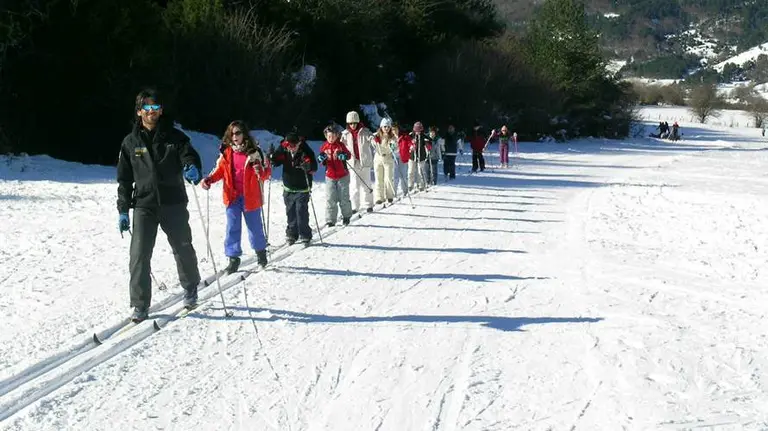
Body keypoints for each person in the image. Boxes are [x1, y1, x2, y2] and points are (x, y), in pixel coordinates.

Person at [117, 88, 203, 323]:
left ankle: (191, 289)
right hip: (144, 204)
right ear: (139, 111)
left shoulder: (175, 137)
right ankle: (140, 304)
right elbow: (124, 180)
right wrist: (123, 210)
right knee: (139, 255)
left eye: (155, 108)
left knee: (182, 247)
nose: (151, 112)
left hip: (173, 201)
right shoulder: (130, 142)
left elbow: (189, 155)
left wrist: (192, 167)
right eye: (147, 108)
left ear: (161, 110)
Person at [200, 120, 271, 273]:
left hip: (250, 197)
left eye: (238, 133)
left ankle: (261, 253)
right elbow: (220, 170)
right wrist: (209, 179)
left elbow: (266, 173)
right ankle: (233, 258)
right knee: (232, 228)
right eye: (231, 134)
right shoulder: (227, 152)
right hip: (232, 196)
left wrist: (260, 171)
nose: (234, 136)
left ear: (244, 134)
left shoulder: (255, 152)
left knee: (255, 228)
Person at [269, 132, 318, 246]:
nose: (291, 148)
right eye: (289, 145)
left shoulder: (305, 150)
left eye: (294, 145)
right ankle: (292, 233)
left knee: (301, 212)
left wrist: (308, 166)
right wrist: (271, 157)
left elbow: (314, 166)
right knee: (290, 212)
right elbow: (276, 160)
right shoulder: (284, 149)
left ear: (299, 143)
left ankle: (305, 234)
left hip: (302, 187)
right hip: (288, 187)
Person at [317, 124, 353, 227]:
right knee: (330, 198)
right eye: (329, 136)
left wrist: (343, 156)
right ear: (326, 136)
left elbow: (348, 155)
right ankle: (330, 220)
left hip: (343, 175)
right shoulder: (324, 146)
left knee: (343, 197)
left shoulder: (340, 145)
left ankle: (346, 216)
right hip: (330, 176)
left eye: (333, 136)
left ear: (337, 136)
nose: (331, 138)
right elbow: (320, 160)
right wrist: (321, 158)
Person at [340, 111, 375, 213]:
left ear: (358, 122)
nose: (353, 125)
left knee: (366, 184)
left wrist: (373, 140)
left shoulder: (365, 131)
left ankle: (368, 204)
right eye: (351, 123)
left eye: (355, 123)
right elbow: (340, 145)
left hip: (364, 161)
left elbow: (371, 138)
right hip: (353, 162)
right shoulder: (345, 134)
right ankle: (355, 206)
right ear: (348, 123)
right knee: (354, 185)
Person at [372, 118, 398, 203]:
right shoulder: (376, 136)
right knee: (378, 178)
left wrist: (393, 146)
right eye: (385, 126)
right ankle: (379, 197)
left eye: (388, 127)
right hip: (378, 158)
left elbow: (394, 146)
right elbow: (372, 142)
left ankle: (389, 195)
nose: (386, 128)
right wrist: (374, 141)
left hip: (388, 159)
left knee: (388, 178)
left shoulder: (392, 137)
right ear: (381, 127)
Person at [408, 121, 431, 191]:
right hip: (412, 156)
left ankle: (421, 184)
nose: (418, 132)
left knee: (420, 171)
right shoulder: (411, 135)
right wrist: (410, 146)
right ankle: (410, 184)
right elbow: (407, 143)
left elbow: (429, 143)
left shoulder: (424, 136)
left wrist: (428, 144)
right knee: (411, 171)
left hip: (421, 156)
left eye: (419, 130)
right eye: (416, 130)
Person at [395, 123, 412, 197]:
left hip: (403, 157)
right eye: (393, 130)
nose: (394, 131)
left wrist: (412, 146)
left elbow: (410, 143)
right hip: (394, 158)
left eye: (396, 129)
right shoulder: (391, 137)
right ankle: (394, 192)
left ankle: (405, 190)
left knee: (403, 175)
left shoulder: (404, 136)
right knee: (395, 176)